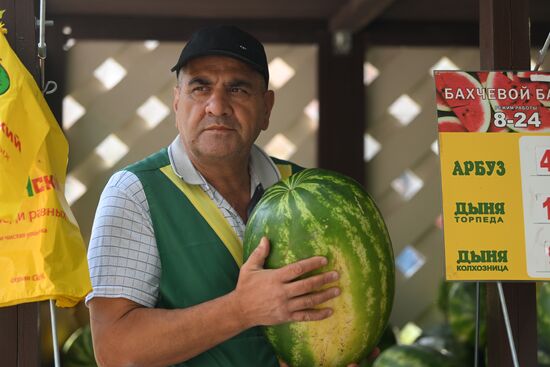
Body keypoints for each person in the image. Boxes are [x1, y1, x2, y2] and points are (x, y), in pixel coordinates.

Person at [87, 25, 365, 367]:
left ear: (266, 108)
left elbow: (343, 313)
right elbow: (114, 350)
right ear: (176, 102)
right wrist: (242, 309)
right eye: (200, 87)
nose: (217, 106)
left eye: (238, 88)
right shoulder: (134, 193)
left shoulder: (310, 189)